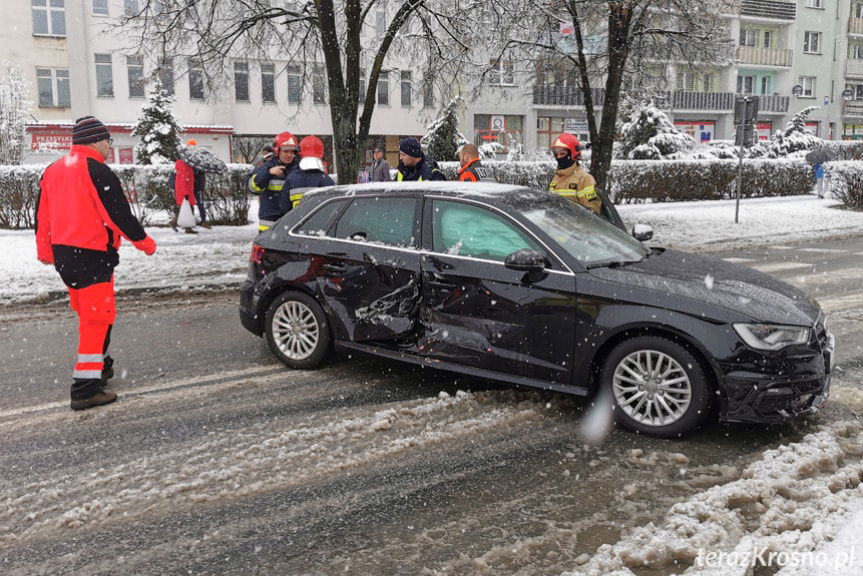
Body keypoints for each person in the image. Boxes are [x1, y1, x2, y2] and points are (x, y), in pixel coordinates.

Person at [35, 116, 157, 411]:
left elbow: (42, 217)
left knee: (91, 314)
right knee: (96, 320)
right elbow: (117, 215)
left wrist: (46, 252)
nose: (109, 146)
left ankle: (101, 366)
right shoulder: (96, 170)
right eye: (107, 141)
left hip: (65, 257)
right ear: (95, 141)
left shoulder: (53, 170)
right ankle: (85, 389)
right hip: (92, 255)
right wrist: (144, 242)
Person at [245, 132, 300, 231]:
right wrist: (268, 173)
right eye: (286, 151)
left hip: (293, 224)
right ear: (277, 151)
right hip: (269, 226)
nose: (289, 155)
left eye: (292, 152)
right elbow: (251, 188)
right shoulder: (267, 167)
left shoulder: (299, 170)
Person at [549, 133, 601, 215]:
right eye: (556, 154)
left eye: (562, 153)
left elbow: (592, 212)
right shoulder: (556, 178)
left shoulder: (584, 179)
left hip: (573, 223)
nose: (558, 157)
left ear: (572, 154)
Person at [280, 135, 335, 213]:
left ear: (301, 153)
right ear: (321, 154)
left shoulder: (291, 178)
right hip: (320, 220)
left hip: (296, 220)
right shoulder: (326, 180)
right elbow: (332, 208)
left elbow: (284, 207)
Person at [173, 139, 203, 234]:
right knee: (189, 209)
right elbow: (184, 180)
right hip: (186, 192)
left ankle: (175, 223)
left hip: (186, 191)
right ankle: (187, 228)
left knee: (184, 209)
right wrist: (186, 193)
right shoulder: (185, 166)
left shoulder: (185, 165)